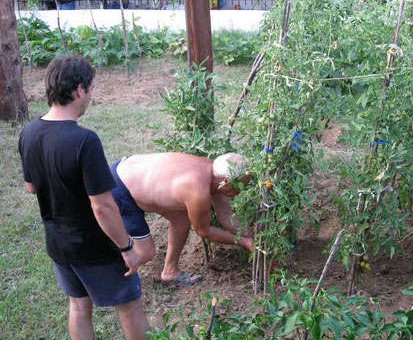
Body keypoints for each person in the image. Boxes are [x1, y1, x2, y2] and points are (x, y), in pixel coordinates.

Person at [18, 55, 149, 340]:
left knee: (78, 305)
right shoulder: (85, 140)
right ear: (79, 90)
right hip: (94, 246)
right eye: (91, 88)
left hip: (57, 243)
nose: (91, 95)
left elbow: (31, 186)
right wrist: (126, 248)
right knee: (130, 305)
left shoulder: (28, 132)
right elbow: (102, 207)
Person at [109, 152, 254, 286]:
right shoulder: (197, 191)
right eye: (241, 186)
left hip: (130, 170)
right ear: (227, 181)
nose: (240, 191)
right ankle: (107, 276)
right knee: (145, 252)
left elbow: (226, 215)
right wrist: (244, 242)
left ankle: (170, 272)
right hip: (120, 188)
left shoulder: (215, 171)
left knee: (182, 218)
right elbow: (204, 231)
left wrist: (254, 238)